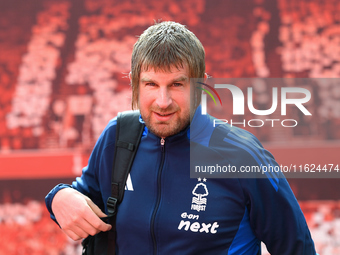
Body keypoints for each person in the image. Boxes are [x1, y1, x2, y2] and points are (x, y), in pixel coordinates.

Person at [45, 21, 317, 254]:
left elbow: (297, 248)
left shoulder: (242, 155)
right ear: (135, 84)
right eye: (151, 84)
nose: (163, 102)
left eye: (177, 84)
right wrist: (58, 198)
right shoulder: (117, 137)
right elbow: (82, 196)